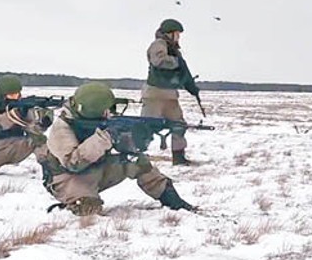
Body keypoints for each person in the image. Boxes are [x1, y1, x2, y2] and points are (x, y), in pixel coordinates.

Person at [40, 82, 196, 216]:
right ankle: (70, 202)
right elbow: (73, 163)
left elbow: (126, 149)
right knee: (89, 208)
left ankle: (173, 201)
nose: (109, 113)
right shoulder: (62, 127)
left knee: (136, 161)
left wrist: (138, 136)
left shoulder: (101, 121)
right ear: (93, 110)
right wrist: (105, 137)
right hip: (66, 179)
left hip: (95, 169)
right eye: (105, 110)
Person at [141, 18, 200, 165]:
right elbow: (159, 61)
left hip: (170, 96)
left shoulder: (174, 50)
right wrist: (176, 62)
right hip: (155, 95)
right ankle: (135, 155)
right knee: (145, 127)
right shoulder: (158, 45)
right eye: (177, 34)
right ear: (170, 33)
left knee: (178, 125)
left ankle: (179, 158)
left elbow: (183, 75)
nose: (179, 37)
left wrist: (192, 88)